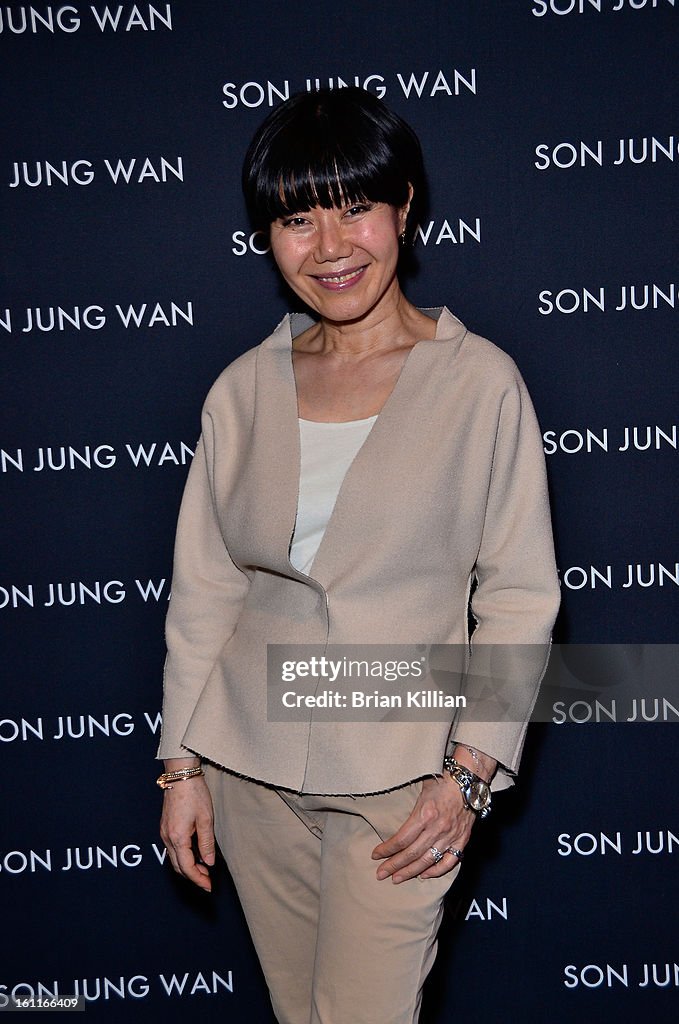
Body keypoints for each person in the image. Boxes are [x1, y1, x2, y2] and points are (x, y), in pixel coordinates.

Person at [157, 87, 560, 1024]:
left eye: (354, 206)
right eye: (296, 217)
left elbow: (518, 598)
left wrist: (468, 773)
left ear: (405, 208)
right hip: (249, 770)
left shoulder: (479, 383)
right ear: (267, 236)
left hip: (403, 783)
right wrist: (181, 769)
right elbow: (206, 595)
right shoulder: (243, 390)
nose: (330, 245)